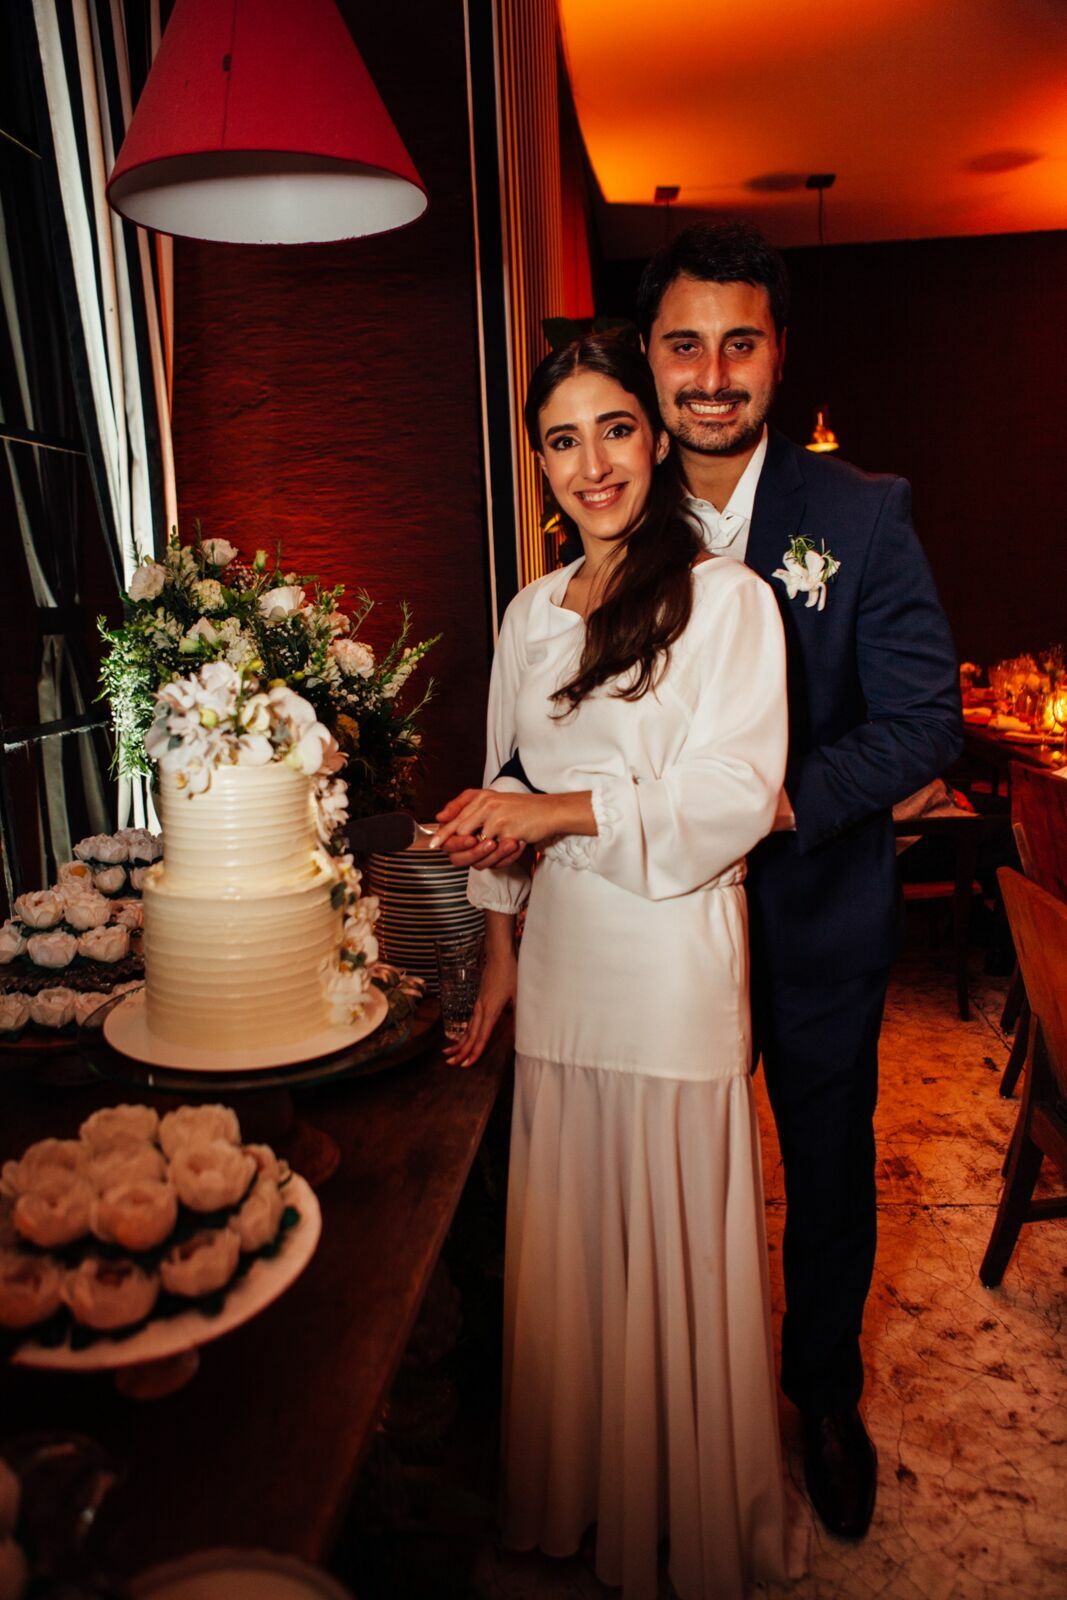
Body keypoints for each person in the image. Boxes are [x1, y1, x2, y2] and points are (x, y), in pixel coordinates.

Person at [445, 224, 963, 1542]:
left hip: (810, 905)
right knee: (644, 1193)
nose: (711, 374)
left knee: (825, 1171)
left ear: (778, 354)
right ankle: (621, 1426)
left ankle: (819, 1399)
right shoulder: (617, 508)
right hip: (642, 934)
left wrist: (769, 801)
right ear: (648, 363)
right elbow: (539, 731)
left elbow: (920, 723)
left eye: (739, 343)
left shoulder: (859, 511)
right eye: (683, 346)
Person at [431, 335, 796, 1599]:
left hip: (675, 962)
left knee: (674, 1247)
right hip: (565, 966)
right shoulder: (527, 614)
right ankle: (581, 1495)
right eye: (562, 438)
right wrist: (497, 948)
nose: (592, 463)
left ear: (655, 437)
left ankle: (687, 1519)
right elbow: (501, 786)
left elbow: (734, 793)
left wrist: (553, 810)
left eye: (615, 429)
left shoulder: (726, 600)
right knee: (578, 1247)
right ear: (538, 463)